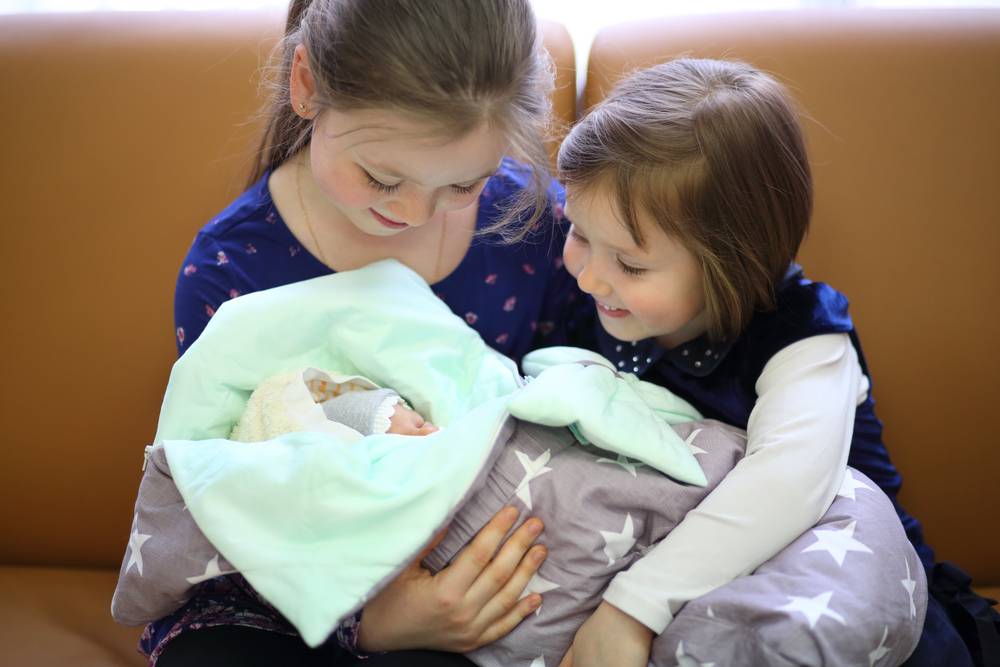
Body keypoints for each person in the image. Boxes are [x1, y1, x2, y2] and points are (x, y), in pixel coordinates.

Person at [152, 0, 581, 664]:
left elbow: (599, 392)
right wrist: (372, 623)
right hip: (284, 595)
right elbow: (225, 501)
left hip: (483, 565)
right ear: (306, 84)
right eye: (382, 178)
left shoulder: (528, 225)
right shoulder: (233, 271)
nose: (415, 213)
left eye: (463, 184)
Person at [555, 57, 993, 667]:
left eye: (630, 265)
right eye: (579, 233)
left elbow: (787, 482)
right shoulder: (596, 305)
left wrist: (631, 608)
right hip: (679, 582)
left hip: (840, 585)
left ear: (733, 263)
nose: (589, 276)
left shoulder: (805, 336)